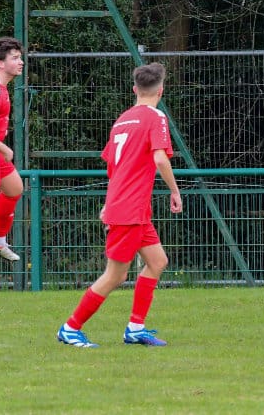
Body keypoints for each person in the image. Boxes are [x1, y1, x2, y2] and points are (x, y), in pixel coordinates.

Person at [57, 63, 183, 348]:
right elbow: (160, 158)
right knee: (116, 275)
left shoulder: (122, 120)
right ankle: (70, 328)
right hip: (130, 208)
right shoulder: (156, 117)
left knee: (157, 261)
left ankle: (135, 328)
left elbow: (114, 167)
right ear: (161, 91)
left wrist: (109, 202)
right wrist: (175, 191)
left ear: (135, 89)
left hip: (130, 206)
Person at [0, 37, 25, 262]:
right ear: (0, 62)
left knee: (14, 189)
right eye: (14, 58)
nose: (21, 62)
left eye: (20, 57)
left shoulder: (3, 88)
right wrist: (4, 148)